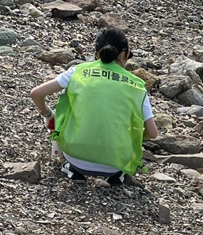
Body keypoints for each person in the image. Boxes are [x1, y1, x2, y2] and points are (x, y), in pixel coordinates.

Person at [28, 27, 160, 183]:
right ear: (126, 53)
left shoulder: (78, 72)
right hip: (115, 163)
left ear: (96, 53)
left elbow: (36, 94)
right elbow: (153, 133)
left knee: (69, 97)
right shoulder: (137, 85)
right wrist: (132, 138)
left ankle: (73, 169)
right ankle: (117, 175)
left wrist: (48, 115)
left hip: (75, 155)